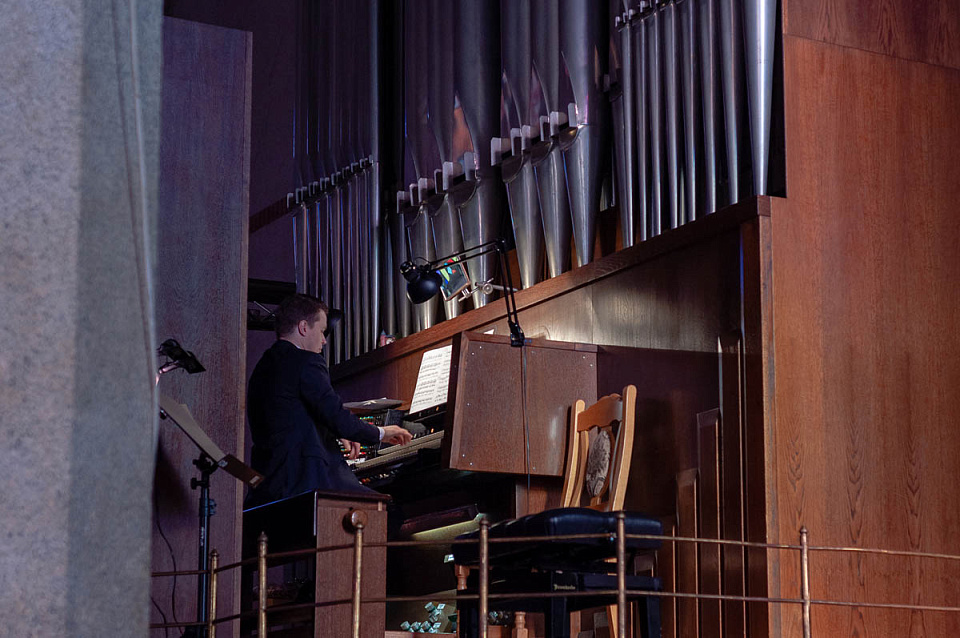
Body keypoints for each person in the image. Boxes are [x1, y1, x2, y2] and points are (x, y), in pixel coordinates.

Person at [245, 294, 412, 507]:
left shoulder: (262, 368)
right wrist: (382, 433)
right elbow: (336, 415)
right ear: (304, 327)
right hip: (307, 483)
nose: (324, 340)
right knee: (390, 510)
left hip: (269, 487)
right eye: (322, 331)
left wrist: (335, 432)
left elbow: (292, 415)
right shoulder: (306, 361)